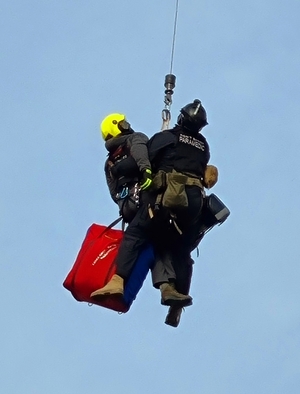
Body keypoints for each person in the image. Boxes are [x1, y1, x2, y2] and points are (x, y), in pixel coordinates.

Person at [91, 112, 191, 307]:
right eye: (123, 122)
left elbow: (113, 192)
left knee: (153, 242)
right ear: (119, 126)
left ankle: (166, 289)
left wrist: (126, 204)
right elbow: (141, 155)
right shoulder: (136, 139)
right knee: (153, 241)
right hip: (148, 203)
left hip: (128, 209)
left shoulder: (109, 163)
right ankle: (126, 282)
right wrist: (146, 171)